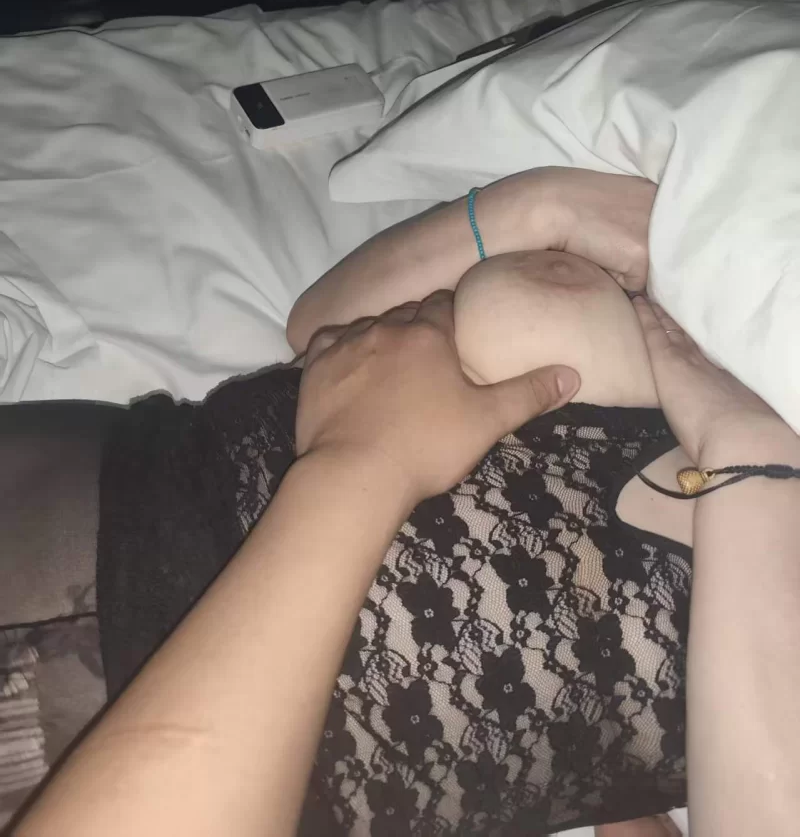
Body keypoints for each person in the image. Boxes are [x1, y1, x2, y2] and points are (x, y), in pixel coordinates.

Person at [14, 171, 800, 836]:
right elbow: (332, 334)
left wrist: (752, 458)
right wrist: (540, 207)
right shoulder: (673, 327)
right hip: (107, 515)